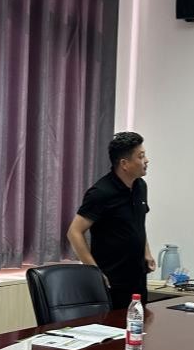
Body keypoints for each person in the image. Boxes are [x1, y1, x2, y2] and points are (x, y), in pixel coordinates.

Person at [66, 131, 155, 311]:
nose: (147, 160)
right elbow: (74, 232)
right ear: (124, 164)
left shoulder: (140, 186)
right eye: (141, 156)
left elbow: (137, 224)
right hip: (112, 280)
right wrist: (94, 272)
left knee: (138, 324)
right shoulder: (101, 193)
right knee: (113, 326)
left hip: (138, 277)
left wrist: (147, 252)